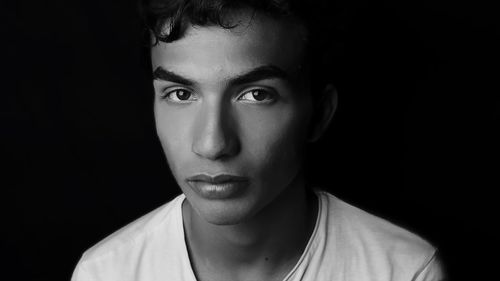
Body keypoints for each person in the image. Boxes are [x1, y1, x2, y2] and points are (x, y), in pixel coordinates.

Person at [71, 0, 444, 280]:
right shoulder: (106, 273)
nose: (213, 144)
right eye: (181, 94)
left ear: (319, 114)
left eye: (256, 95)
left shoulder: (404, 271)